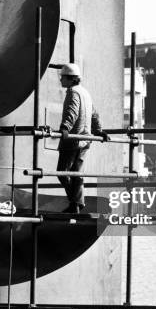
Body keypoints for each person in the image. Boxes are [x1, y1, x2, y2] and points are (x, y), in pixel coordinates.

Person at [57, 63, 108, 213]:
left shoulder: (73, 92)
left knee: (62, 172)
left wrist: (65, 127)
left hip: (72, 141)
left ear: (71, 79)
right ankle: (77, 204)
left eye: (63, 77)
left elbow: (72, 111)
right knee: (76, 174)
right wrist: (99, 131)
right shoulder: (85, 93)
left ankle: (75, 202)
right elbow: (94, 114)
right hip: (86, 141)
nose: (61, 80)